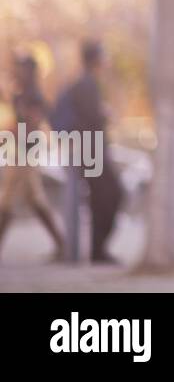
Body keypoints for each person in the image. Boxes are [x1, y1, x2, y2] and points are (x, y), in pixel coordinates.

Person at [52, 40, 124, 263]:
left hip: (88, 150)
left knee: (100, 199)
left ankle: (97, 250)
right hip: (93, 152)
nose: (106, 61)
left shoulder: (82, 83)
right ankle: (97, 250)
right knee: (113, 194)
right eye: (103, 56)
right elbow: (91, 118)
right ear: (95, 59)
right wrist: (105, 114)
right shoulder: (87, 84)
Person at [0, 54, 65, 261]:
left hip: (25, 153)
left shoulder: (34, 95)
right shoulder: (20, 94)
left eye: (21, 68)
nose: (18, 71)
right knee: (35, 199)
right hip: (19, 151)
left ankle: (62, 245)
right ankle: (62, 245)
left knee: (8, 199)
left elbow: (32, 124)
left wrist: (13, 133)